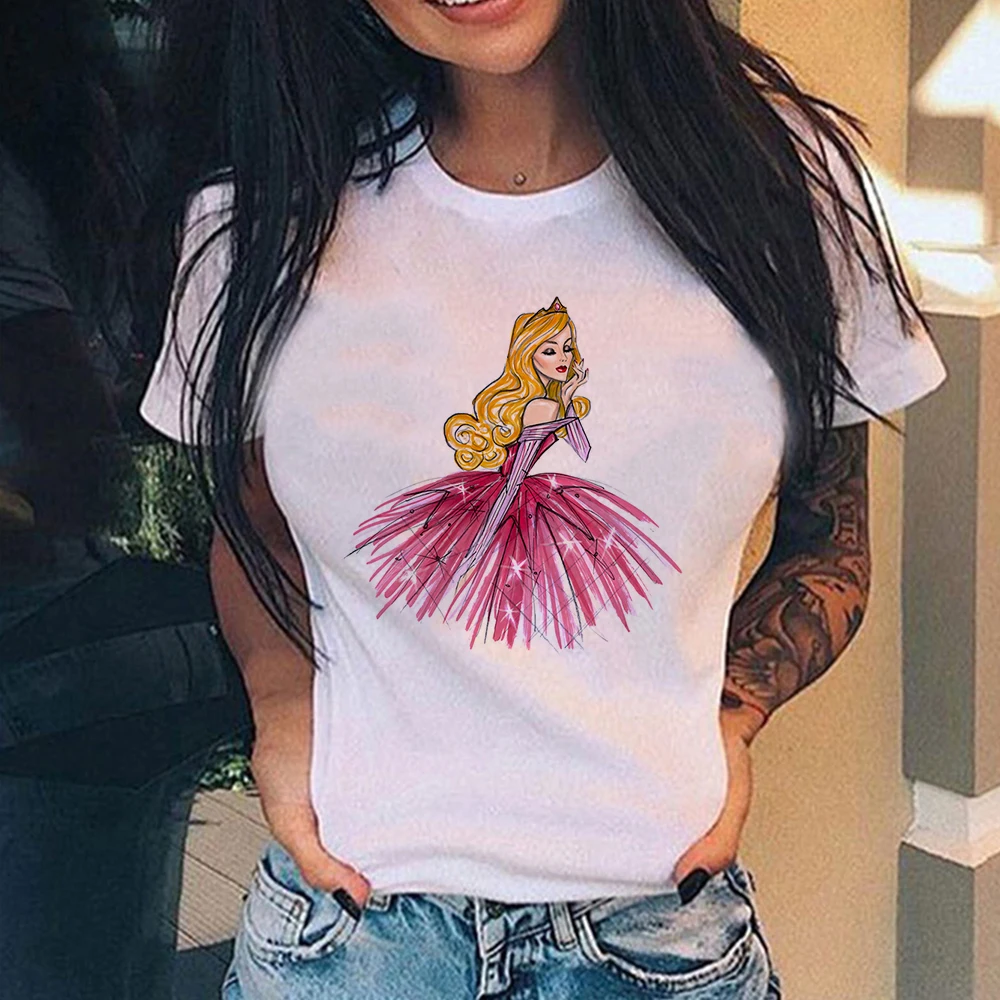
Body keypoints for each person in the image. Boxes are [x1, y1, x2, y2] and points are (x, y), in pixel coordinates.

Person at [138, 1, 948, 997]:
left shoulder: (792, 188)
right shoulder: (255, 222)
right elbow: (254, 527)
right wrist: (281, 701)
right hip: (348, 933)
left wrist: (731, 716)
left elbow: (830, 541)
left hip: (657, 931)